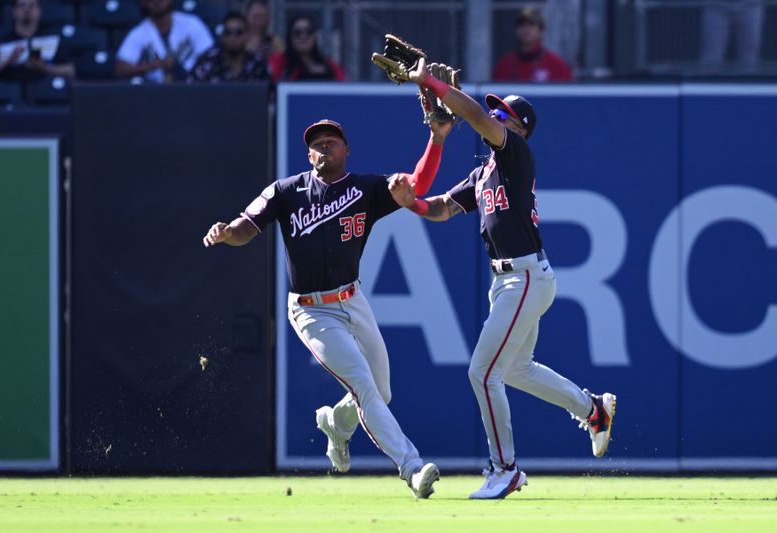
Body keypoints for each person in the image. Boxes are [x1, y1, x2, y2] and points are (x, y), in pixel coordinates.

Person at [388, 58, 615, 500]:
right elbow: (440, 209)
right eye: (494, 111)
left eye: (504, 114)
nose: (494, 116)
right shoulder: (484, 172)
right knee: (514, 369)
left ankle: (505, 469)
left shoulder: (514, 153)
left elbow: (473, 116)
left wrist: (430, 82)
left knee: (482, 372)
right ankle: (594, 412)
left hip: (525, 275)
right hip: (511, 281)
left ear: (520, 129)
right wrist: (408, 202)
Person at [202, 117, 452, 498]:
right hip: (311, 310)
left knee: (380, 392)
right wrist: (226, 232)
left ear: (346, 150)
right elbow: (246, 226)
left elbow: (417, 184)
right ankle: (412, 468)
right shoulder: (286, 191)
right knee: (364, 385)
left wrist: (436, 138)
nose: (323, 147)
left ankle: (336, 424)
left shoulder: (366, 188)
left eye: (331, 141)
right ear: (308, 154)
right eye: (317, 143)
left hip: (352, 299)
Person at [114, 0, 214, 84]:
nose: (157, 1)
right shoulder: (139, 32)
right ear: (143, 2)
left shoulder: (192, 23)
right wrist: (154, 65)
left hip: (195, 86)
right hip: (157, 92)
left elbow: (212, 56)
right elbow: (120, 69)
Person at [0, 0, 74, 81]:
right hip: (10, 92)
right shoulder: (3, 40)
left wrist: (44, 68)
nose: (27, 9)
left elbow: (70, 71)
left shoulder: (50, 39)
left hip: (43, 93)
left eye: (31, 6)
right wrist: (6, 62)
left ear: (39, 11)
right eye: (22, 5)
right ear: (14, 11)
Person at [491, 6, 573, 82]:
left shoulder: (557, 66)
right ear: (515, 30)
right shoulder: (503, 66)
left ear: (541, 31)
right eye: (521, 25)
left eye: (531, 25)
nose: (526, 29)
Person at [189, 12, 271, 83]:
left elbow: (270, 94)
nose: (233, 37)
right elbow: (191, 91)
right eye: (228, 32)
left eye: (238, 32)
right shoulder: (207, 61)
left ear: (247, 35)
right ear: (222, 36)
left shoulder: (257, 63)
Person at [269, 16, 345, 82]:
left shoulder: (331, 66)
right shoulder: (280, 63)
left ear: (314, 36)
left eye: (308, 31)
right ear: (290, 37)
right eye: (297, 32)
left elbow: (343, 89)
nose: (303, 36)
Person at [700, 0, 764, 73]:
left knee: (749, 56)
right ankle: (709, 83)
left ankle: (748, 82)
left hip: (750, 5)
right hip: (716, 5)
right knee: (712, 56)